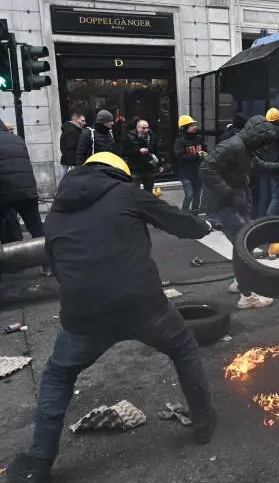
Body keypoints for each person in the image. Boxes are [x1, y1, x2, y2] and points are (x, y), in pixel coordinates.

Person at [5, 152, 219, 483]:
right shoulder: (126, 193)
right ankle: (203, 424)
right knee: (183, 348)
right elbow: (178, 222)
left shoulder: (56, 213)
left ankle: (38, 461)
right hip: (142, 304)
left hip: (84, 314)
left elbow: (58, 264)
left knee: (58, 376)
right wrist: (203, 226)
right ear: (117, 173)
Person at [200, 114, 279, 308]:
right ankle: (247, 295)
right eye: (264, 143)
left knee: (242, 243)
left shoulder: (245, 149)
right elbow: (206, 169)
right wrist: (230, 194)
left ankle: (241, 282)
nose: (265, 147)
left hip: (233, 202)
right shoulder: (233, 146)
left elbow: (258, 164)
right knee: (244, 245)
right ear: (256, 137)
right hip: (223, 205)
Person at [0, 118, 50, 276]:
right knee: (36, 228)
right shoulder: (17, 139)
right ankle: (48, 265)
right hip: (27, 190)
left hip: (5, 191)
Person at [257, 107, 279, 218]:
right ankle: (270, 218)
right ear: (276, 119)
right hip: (276, 166)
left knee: (264, 196)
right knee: (276, 196)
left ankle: (260, 218)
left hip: (263, 166)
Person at [174, 115, 207, 211]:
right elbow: (180, 157)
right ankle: (184, 215)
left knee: (197, 196)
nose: (195, 127)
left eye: (194, 125)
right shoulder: (180, 141)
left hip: (198, 172)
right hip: (186, 173)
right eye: (191, 125)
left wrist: (205, 154)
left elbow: (205, 150)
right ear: (185, 128)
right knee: (189, 195)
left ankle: (195, 216)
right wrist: (197, 155)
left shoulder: (199, 138)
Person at [121, 118, 161, 193]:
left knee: (149, 191)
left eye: (147, 128)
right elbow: (124, 152)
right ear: (137, 127)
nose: (146, 130)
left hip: (148, 167)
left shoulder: (152, 136)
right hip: (135, 168)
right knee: (135, 191)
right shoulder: (129, 137)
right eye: (143, 128)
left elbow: (156, 150)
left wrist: (160, 164)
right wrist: (138, 151)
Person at [58, 112, 85, 180]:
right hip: (70, 163)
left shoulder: (70, 129)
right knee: (67, 182)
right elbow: (70, 148)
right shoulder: (73, 131)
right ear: (75, 120)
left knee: (64, 181)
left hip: (66, 161)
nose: (84, 123)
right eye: (82, 120)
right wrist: (72, 165)